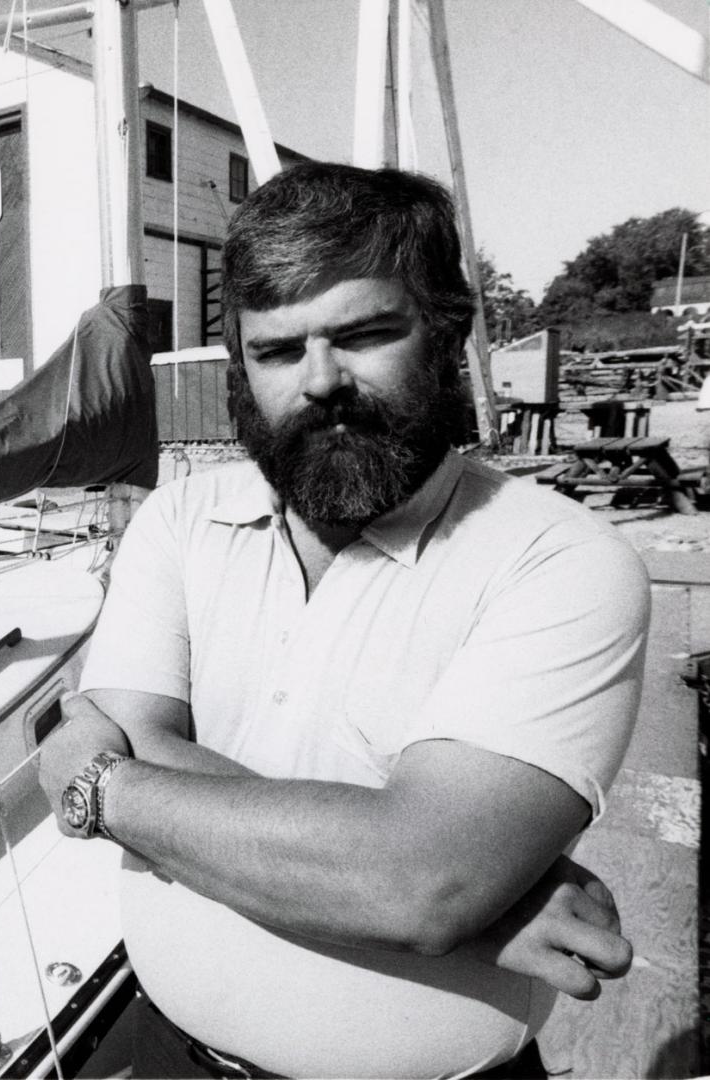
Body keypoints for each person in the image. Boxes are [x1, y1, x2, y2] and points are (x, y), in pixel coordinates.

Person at [39, 162, 649, 1079]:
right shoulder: (181, 520)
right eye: (278, 351)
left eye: (364, 334)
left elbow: (419, 881)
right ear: (240, 367)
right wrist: (471, 900)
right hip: (170, 1054)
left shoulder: (558, 561)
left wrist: (101, 787)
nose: (319, 381)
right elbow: (418, 883)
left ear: (448, 334)